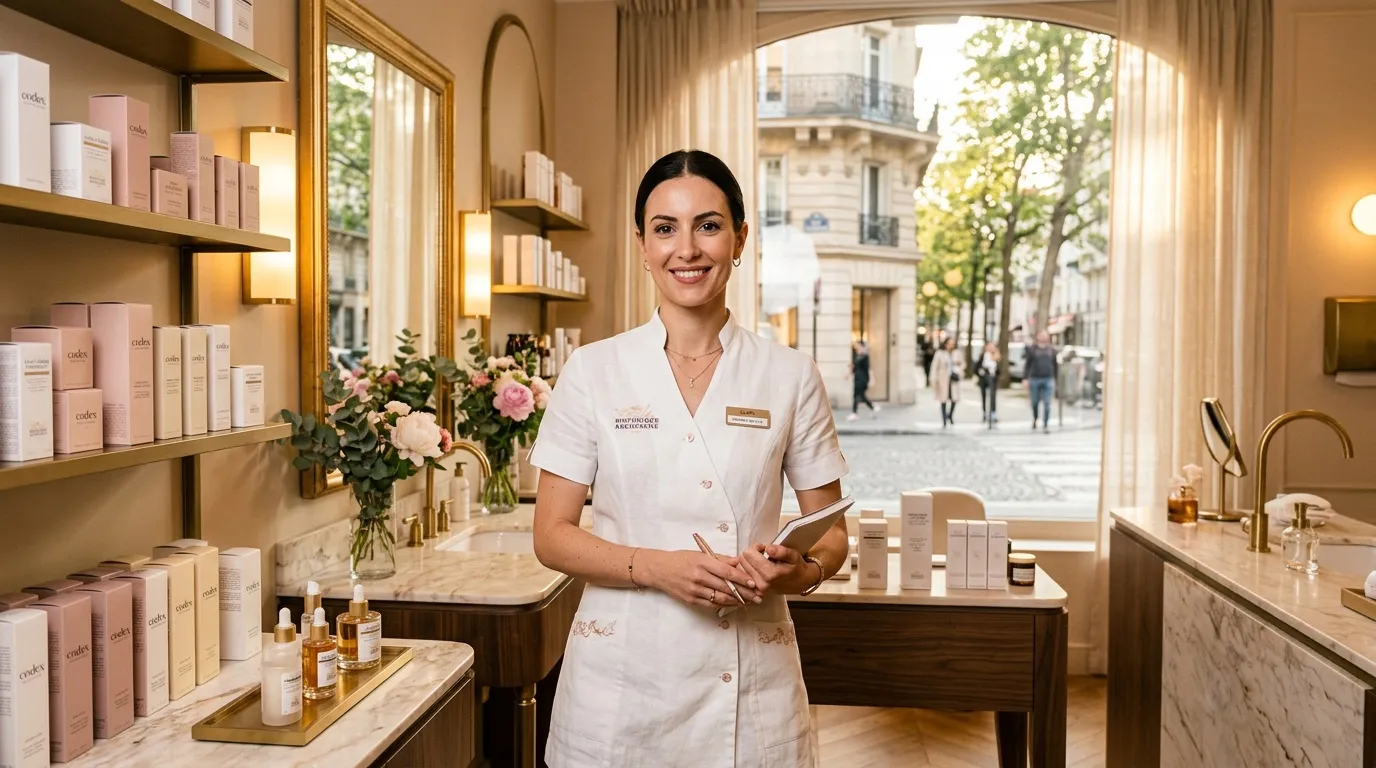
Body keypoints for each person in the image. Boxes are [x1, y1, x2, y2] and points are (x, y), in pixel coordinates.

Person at [527, 149, 849, 767]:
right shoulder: (595, 371)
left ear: (739, 238)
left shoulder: (789, 376)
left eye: (708, 224)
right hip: (621, 684)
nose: (688, 249)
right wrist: (656, 567)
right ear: (643, 245)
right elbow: (552, 535)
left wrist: (799, 572)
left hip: (749, 676)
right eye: (665, 228)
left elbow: (832, 532)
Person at [1024, 331, 1058, 432]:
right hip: (1035, 378)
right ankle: (1035, 418)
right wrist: (1025, 378)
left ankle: (1045, 423)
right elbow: (1027, 365)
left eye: (1045, 336)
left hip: (1048, 378)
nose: (1043, 337)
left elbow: (1055, 366)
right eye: (1041, 335)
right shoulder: (1032, 350)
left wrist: (1055, 379)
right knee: (1034, 402)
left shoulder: (1051, 350)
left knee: (1047, 403)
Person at [931, 336, 961, 427]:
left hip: (954, 378)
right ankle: (944, 419)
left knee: (954, 399)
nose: (951, 346)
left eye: (953, 344)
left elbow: (963, 364)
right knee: (943, 399)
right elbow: (934, 366)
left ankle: (950, 415)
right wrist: (933, 378)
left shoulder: (957, 353)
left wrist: (959, 367)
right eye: (949, 344)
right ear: (945, 344)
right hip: (943, 378)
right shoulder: (940, 353)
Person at [847, 340, 879, 421]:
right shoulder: (857, 356)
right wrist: (849, 374)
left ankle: (856, 412)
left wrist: (871, 379)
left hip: (863, 379)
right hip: (857, 378)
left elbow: (868, 369)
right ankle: (870, 407)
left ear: (861, 346)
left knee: (859, 396)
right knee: (857, 396)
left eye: (857, 345)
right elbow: (854, 368)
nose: (856, 347)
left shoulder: (865, 356)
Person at [976, 341, 1000, 427]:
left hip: (993, 378)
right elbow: (977, 366)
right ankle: (984, 413)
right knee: (983, 396)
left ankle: (993, 413)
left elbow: (999, 369)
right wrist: (980, 372)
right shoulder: (983, 355)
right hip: (984, 378)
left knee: (993, 396)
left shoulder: (996, 356)